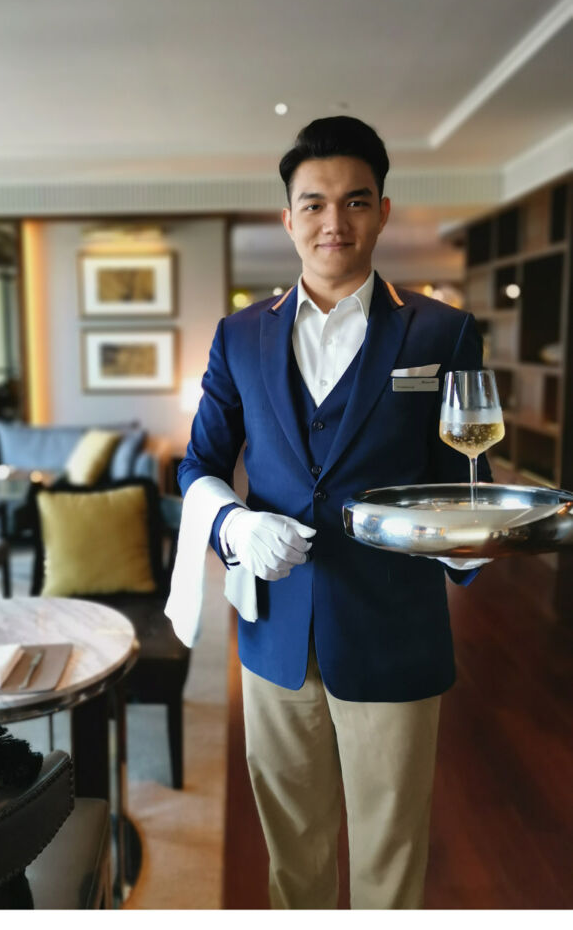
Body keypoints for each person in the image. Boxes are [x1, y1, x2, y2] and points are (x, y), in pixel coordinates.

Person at [165, 115, 491, 909]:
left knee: (391, 850)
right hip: (275, 631)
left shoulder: (442, 331)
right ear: (288, 218)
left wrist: (476, 536)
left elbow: (464, 483)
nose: (332, 223)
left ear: (382, 210)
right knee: (292, 853)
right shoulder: (239, 336)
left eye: (353, 201)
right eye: (312, 204)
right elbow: (197, 466)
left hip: (393, 629)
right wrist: (237, 525)